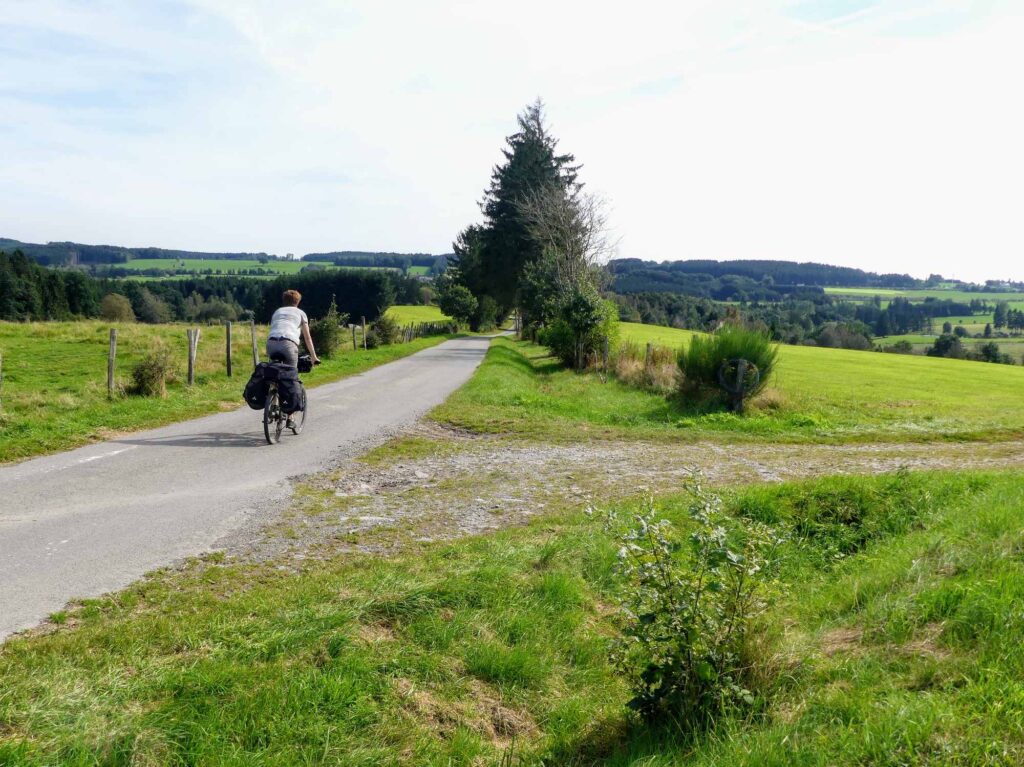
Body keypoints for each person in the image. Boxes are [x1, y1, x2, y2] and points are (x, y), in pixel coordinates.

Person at [267, 289, 320, 368]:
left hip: (271, 343)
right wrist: (313, 356)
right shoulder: (301, 313)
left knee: (272, 372)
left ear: (284, 300)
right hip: (288, 344)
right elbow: (307, 338)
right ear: (298, 301)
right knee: (291, 374)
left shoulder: (277, 311)